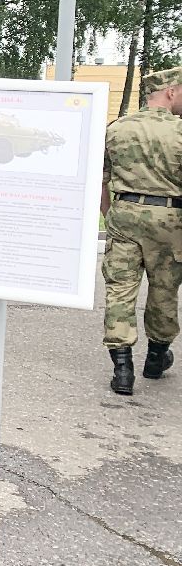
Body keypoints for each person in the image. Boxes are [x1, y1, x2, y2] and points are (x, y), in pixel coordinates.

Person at [100, 66, 182, 396]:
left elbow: (100, 179)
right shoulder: (179, 131)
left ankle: (122, 370)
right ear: (171, 92)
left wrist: (111, 215)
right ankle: (156, 358)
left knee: (120, 289)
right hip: (171, 219)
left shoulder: (117, 129)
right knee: (164, 290)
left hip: (124, 214)